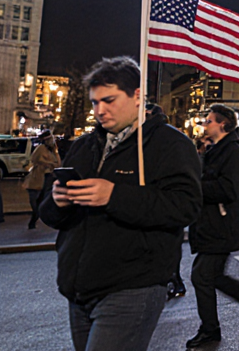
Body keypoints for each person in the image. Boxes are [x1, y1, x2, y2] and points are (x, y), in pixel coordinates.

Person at [40, 57, 202, 351]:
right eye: (94, 102)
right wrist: (57, 201)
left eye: (109, 100)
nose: (100, 110)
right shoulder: (83, 145)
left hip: (133, 285)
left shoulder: (171, 144)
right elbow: (48, 213)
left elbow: (185, 206)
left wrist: (114, 196)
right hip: (78, 286)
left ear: (137, 95)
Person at [187, 105, 239, 348]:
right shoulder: (218, 149)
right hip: (214, 223)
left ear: (222, 124)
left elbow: (230, 189)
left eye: (209, 121)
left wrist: (195, 187)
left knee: (202, 276)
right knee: (211, 276)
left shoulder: (231, 151)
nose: (205, 124)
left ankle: (211, 329)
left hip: (222, 224)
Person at [23, 132, 59, 229]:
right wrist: (48, 163)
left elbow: (58, 162)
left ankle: (34, 220)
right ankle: (34, 218)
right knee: (35, 200)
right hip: (38, 177)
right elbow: (34, 159)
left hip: (48, 177)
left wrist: (52, 164)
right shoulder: (41, 148)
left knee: (42, 200)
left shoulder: (53, 150)